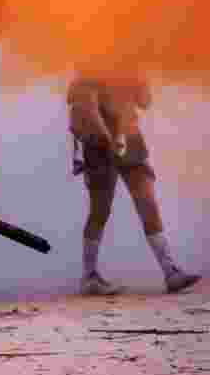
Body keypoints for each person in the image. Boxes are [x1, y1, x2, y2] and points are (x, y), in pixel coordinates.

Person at [68, 73, 201, 295]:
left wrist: (138, 79)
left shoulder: (129, 61)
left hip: (130, 138)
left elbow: (145, 102)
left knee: (147, 202)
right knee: (100, 210)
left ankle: (171, 271)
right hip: (98, 144)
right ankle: (89, 276)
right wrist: (107, 140)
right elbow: (86, 107)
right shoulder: (90, 60)